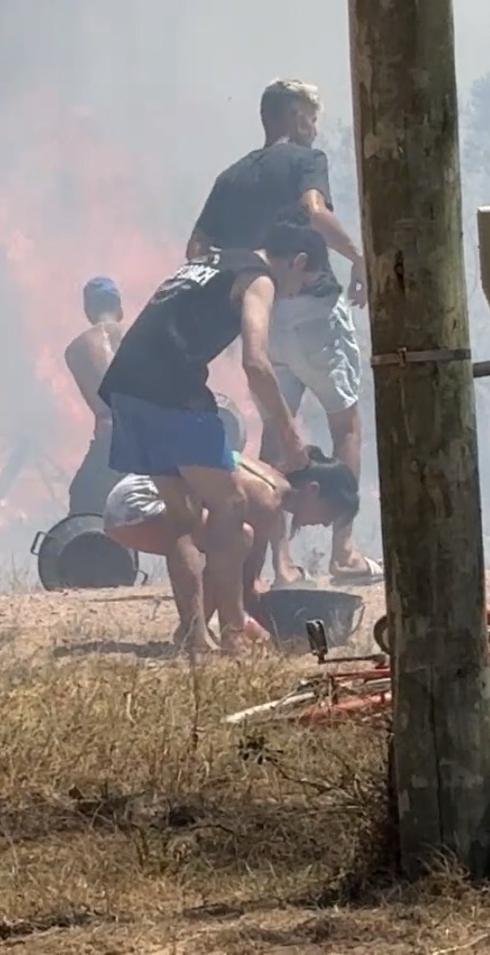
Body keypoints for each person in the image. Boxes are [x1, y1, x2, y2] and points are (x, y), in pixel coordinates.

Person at [93, 222, 327, 653]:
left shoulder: (212, 259)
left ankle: (195, 636)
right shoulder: (259, 279)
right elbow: (255, 364)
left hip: (126, 390)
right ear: (297, 262)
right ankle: (236, 628)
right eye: (302, 283)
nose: (293, 293)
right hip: (172, 392)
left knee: (182, 517)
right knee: (232, 504)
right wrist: (288, 432)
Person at [188, 79, 377, 585]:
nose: (315, 129)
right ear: (295, 117)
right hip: (314, 309)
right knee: (346, 427)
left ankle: (276, 562)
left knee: (275, 434)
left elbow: (196, 249)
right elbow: (316, 213)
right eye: (311, 118)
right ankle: (344, 550)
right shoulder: (304, 161)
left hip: (264, 313)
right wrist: (360, 258)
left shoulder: (232, 176)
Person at [102, 448, 362, 649]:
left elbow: (242, 583)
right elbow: (242, 584)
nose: (325, 524)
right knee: (237, 541)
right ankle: (196, 632)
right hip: (137, 506)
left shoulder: (273, 487)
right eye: (330, 513)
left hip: (129, 503)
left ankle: (193, 630)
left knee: (232, 545)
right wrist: (265, 631)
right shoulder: (267, 501)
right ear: (313, 490)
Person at [62, 275, 123, 517]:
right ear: (119, 307)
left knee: (83, 497)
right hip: (152, 433)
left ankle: (95, 551)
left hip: (111, 439)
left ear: (88, 310)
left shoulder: (76, 350)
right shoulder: (139, 335)